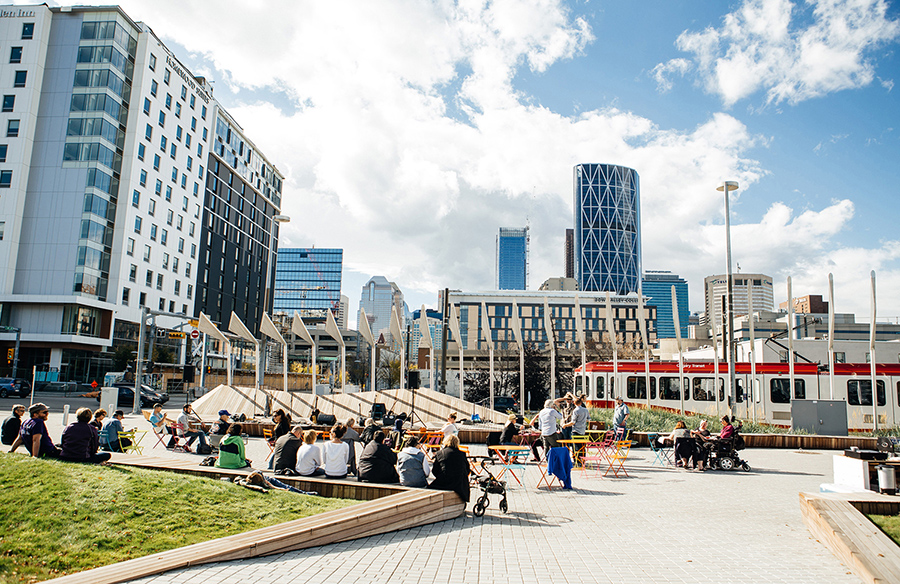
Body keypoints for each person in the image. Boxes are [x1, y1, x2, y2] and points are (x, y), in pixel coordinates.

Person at [428, 434, 470, 503]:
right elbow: (467, 470)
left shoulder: (440, 453)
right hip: (460, 484)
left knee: (429, 488)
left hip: (445, 481)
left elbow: (435, 471)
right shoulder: (462, 454)